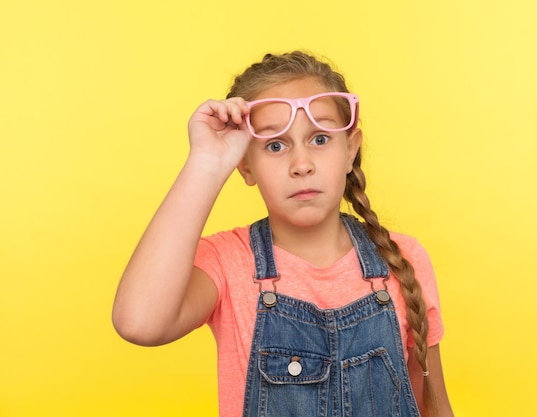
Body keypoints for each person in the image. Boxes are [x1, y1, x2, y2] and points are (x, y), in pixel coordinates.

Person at [112, 51, 454, 417]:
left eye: (320, 139)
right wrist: (207, 163)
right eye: (275, 145)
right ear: (245, 165)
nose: (302, 164)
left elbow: (432, 406)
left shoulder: (402, 259)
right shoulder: (230, 261)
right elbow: (139, 323)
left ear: (350, 149)